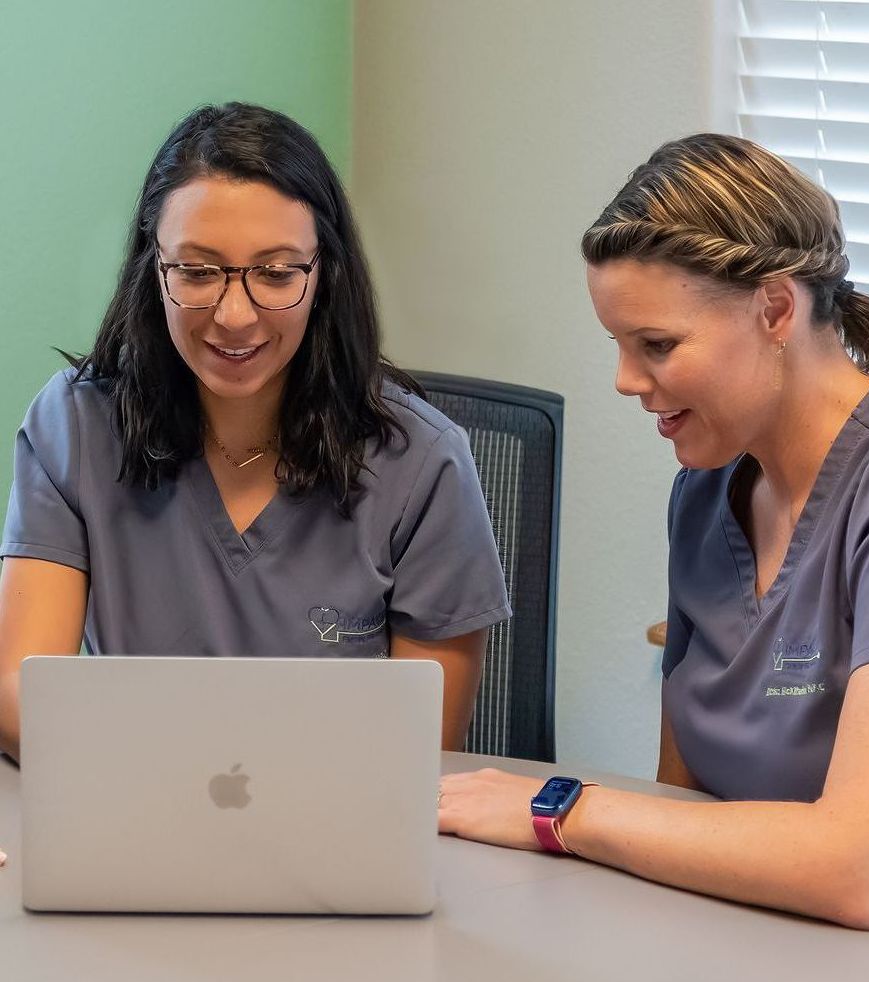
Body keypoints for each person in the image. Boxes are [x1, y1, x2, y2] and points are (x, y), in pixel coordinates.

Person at [439, 133, 869, 929]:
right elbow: (678, 801)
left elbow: (858, 870)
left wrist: (557, 809)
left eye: (656, 345)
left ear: (774, 308)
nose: (624, 380)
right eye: (618, 344)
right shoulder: (703, 496)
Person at [0, 102, 511, 766]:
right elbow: (17, 691)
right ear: (152, 270)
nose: (234, 315)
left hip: (331, 845)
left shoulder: (422, 464)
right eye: (197, 271)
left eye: (274, 273)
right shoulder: (74, 426)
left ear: (323, 275)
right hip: (130, 818)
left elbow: (419, 756)